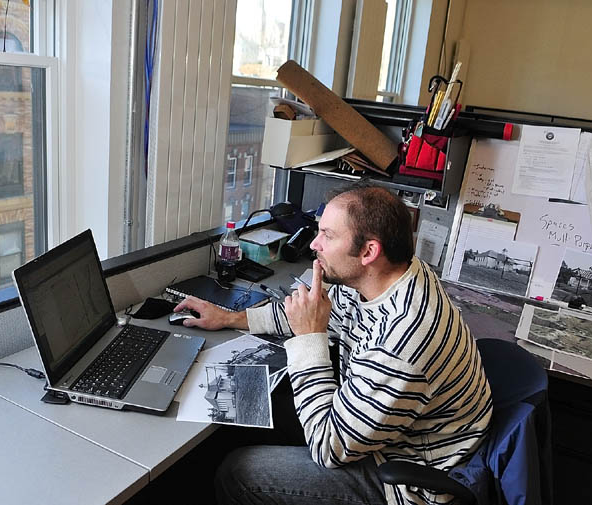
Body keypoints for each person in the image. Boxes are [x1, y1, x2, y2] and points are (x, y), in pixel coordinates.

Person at [175, 183, 493, 505]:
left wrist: (309, 340)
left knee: (238, 472)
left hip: (402, 475)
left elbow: (329, 448)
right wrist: (229, 318)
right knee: (247, 405)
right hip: (382, 430)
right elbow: (314, 312)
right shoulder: (384, 276)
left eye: (328, 235)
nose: (314, 244)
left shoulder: (404, 340)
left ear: (369, 252)